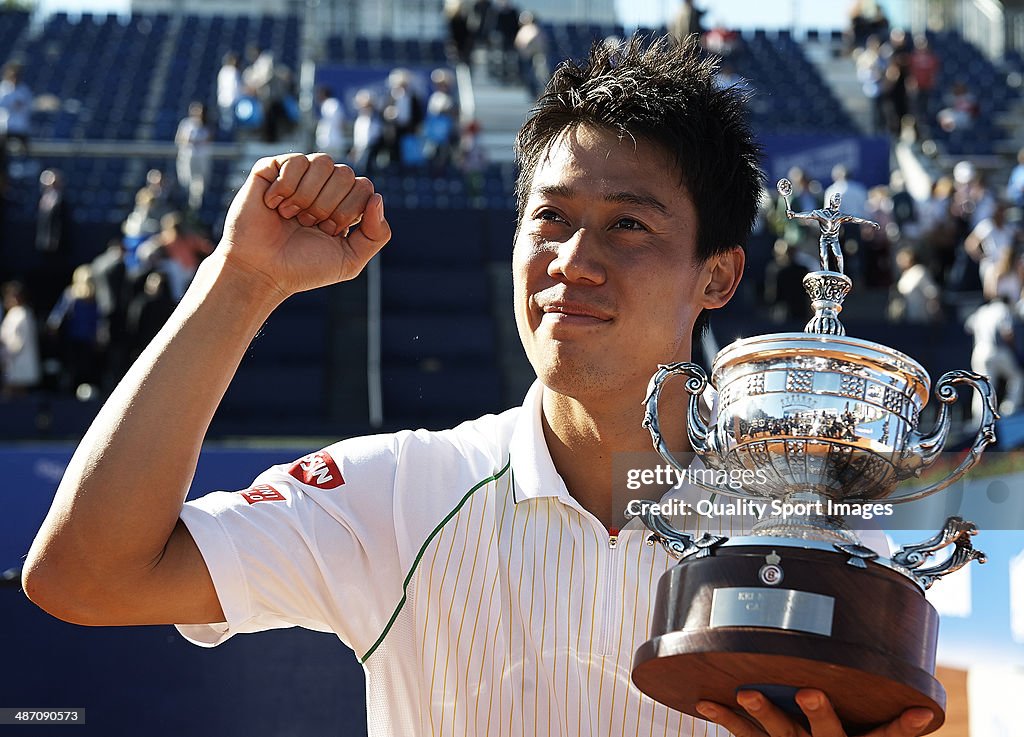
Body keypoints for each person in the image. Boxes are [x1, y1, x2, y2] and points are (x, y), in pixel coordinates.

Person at [23, 35, 935, 737]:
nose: (573, 262)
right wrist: (241, 281)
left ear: (718, 277)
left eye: (628, 225)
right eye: (552, 218)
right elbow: (84, 577)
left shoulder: (809, 536)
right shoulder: (400, 494)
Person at [175, 102, 213, 211]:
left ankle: (197, 205)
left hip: (202, 157)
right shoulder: (186, 124)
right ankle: (187, 203)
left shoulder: (206, 125)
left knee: (201, 181)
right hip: (188, 157)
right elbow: (180, 139)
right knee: (187, 180)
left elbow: (208, 139)